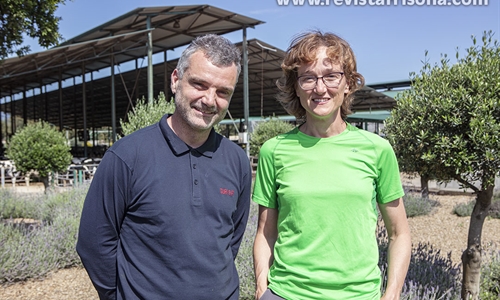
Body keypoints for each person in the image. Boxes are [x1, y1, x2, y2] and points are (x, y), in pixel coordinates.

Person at [77, 34, 252, 300]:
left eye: (222, 92)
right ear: (175, 80)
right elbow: (94, 243)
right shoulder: (127, 156)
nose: (209, 99)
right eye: (199, 84)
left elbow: (231, 240)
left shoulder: (236, 160)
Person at [252, 30, 411, 300]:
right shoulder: (274, 150)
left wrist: (392, 293)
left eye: (331, 76)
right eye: (308, 78)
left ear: (347, 83)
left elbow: (399, 233)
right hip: (286, 294)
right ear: (296, 87)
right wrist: (261, 286)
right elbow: (265, 233)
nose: (320, 88)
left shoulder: (377, 150)